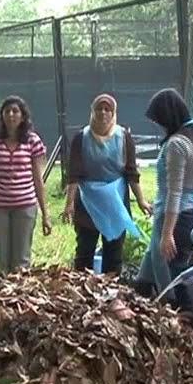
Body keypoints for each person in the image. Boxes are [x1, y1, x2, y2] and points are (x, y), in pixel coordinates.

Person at [63, 94, 150, 274]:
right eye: (99, 109)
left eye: (107, 109)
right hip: (88, 202)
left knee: (114, 252)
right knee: (84, 252)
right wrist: (69, 203)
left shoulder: (124, 137)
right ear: (92, 112)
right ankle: (82, 294)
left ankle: (112, 294)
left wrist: (141, 201)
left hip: (115, 202)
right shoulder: (81, 138)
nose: (103, 113)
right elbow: (74, 175)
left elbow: (131, 173)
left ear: (113, 113)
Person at [134, 89, 193, 302]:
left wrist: (167, 234)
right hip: (187, 210)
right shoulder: (192, 136)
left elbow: (175, 192)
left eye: (158, 120)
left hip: (175, 216)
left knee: (169, 277)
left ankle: (176, 317)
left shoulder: (176, 144)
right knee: (147, 272)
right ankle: (140, 297)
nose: (157, 125)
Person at [0, 96, 51, 273]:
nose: (11, 115)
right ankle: (4, 297)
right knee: (3, 261)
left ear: (23, 116)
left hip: (25, 207)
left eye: (15, 111)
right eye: (7, 111)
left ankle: (20, 298)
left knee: (21, 261)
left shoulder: (32, 141)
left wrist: (46, 214)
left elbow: (38, 180)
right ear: (2, 116)